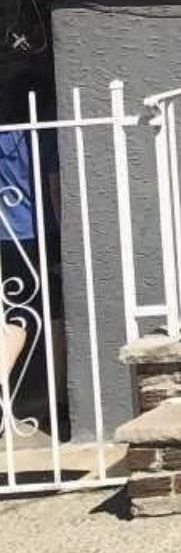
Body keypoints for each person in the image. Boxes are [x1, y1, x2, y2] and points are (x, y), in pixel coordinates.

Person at [0, 76, 55, 418]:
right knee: (40, 310)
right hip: (34, 232)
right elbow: (54, 187)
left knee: (11, 311)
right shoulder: (43, 134)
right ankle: (56, 399)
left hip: (4, 232)